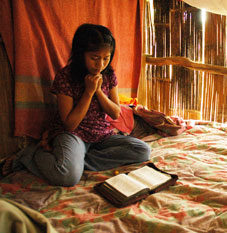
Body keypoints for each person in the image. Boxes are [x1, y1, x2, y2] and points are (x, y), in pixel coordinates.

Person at [1, 24, 151, 186]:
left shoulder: (108, 75)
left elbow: (115, 113)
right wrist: (88, 93)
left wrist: (98, 91)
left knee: (142, 151)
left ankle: (78, 160)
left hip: (101, 134)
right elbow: (70, 124)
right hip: (73, 135)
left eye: (106, 58)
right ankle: (28, 155)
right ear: (81, 54)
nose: (100, 65)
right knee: (67, 176)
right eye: (94, 58)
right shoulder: (66, 76)